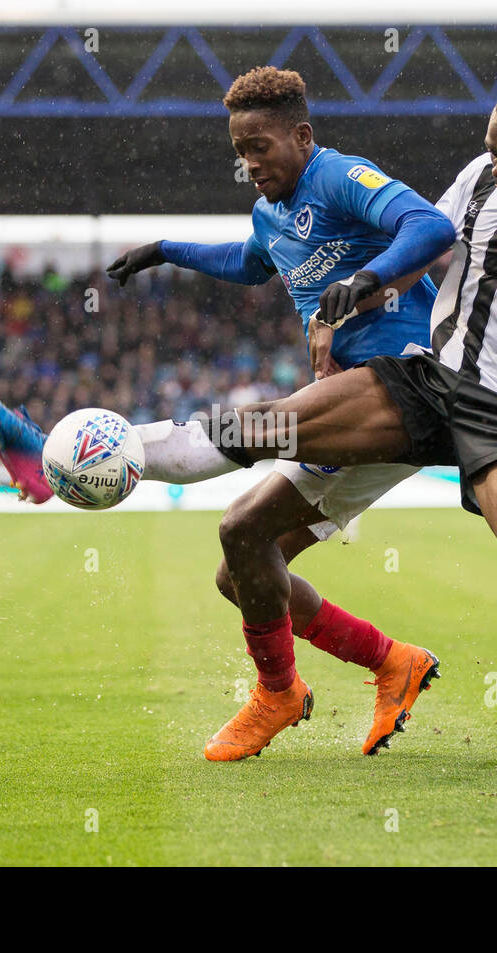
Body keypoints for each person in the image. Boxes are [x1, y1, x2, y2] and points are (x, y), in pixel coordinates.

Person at [0, 47, 497, 766]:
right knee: (252, 476)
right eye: (491, 151)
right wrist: (327, 292)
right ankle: (91, 465)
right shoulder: (479, 178)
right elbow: (402, 243)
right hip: (427, 381)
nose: (494, 167)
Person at [96, 65, 455, 761]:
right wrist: (166, 251)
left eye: (260, 146)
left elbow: (430, 225)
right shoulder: (271, 213)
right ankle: (393, 663)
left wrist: (367, 279)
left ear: (302, 134)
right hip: (345, 403)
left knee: (241, 512)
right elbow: (254, 261)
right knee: (244, 571)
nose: (249, 163)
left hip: (400, 386)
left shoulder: (340, 177)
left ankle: (278, 695)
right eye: (240, 151)